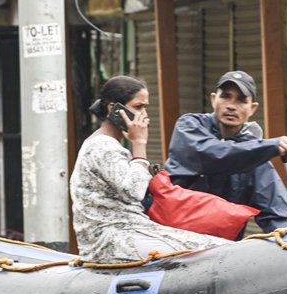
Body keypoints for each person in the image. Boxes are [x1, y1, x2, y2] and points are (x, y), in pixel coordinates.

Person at [70, 75, 230, 262]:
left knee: (220, 246)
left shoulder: (106, 144)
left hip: (132, 230)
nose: (144, 115)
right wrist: (139, 144)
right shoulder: (102, 146)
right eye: (138, 107)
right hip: (111, 239)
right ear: (114, 110)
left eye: (145, 107)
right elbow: (133, 191)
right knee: (209, 253)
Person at [164, 70, 287, 233]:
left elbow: (277, 211)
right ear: (214, 99)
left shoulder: (254, 156)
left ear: (252, 108)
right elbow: (213, 155)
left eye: (241, 100)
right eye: (226, 96)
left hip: (218, 246)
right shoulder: (189, 126)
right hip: (170, 236)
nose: (231, 105)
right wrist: (269, 146)